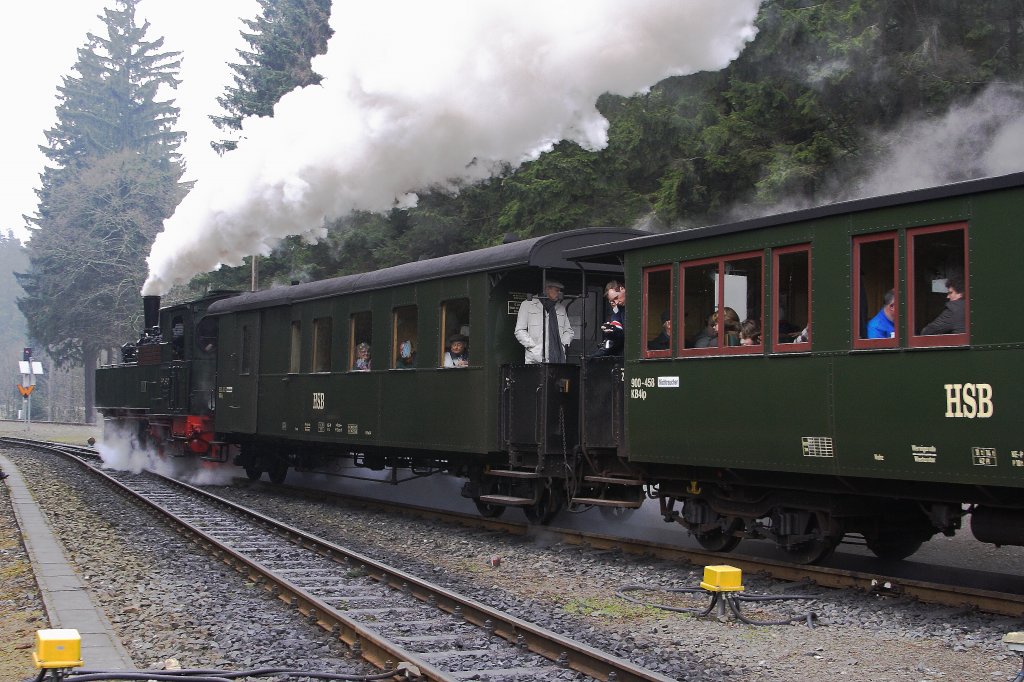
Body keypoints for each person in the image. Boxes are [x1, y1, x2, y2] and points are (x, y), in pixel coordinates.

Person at [514, 279, 574, 363]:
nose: (559, 293)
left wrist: (562, 345)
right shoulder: (528, 304)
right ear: (547, 289)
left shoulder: (561, 308)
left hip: (558, 359)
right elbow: (519, 330)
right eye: (556, 290)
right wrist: (533, 346)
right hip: (535, 360)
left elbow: (569, 331)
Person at [593, 280, 626, 356]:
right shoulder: (619, 310)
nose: (617, 302)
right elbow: (618, 327)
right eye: (613, 301)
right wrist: (611, 331)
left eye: (616, 297)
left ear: (622, 289)